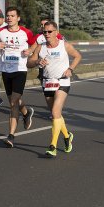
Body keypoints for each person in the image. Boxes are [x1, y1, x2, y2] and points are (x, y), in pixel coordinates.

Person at [28, 21, 82, 158]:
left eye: (49, 32)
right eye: (44, 32)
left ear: (56, 32)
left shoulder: (64, 45)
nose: (47, 34)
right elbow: (29, 62)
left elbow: (77, 56)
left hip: (62, 81)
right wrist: (37, 62)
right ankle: (67, 136)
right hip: (47, 82)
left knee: (55, 112)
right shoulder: (41, 47)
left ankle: (52, 146)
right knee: (56, 115)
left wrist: (70, 69)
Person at [0, 6, 37, 148]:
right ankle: (26, 113)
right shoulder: (0, 32)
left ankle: (11, 135)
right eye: (8, 16)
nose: (9, 18)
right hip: (6, 70)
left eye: (12, 16)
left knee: (13, 103)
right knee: (13, 101)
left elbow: (35, 43)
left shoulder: (25, 32)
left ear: (18, 18)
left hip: (20, 70)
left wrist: (30, 51)